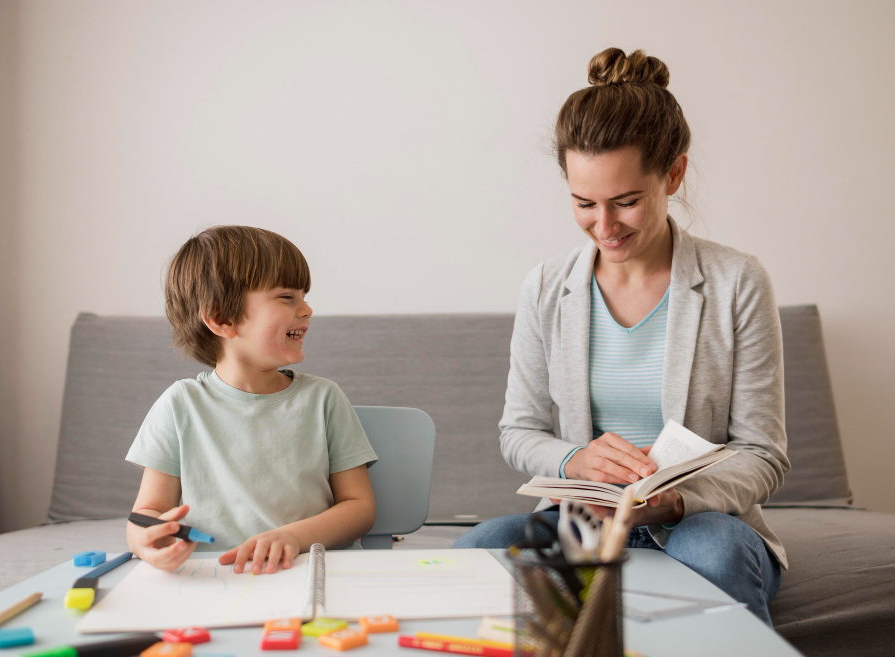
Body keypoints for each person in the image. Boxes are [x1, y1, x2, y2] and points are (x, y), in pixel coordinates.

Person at [453, 48, 788, 626]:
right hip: (582, 524)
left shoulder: (738, 282)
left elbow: (763, 453)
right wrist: (577, 459)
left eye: (627, 202)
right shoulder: (546, 287)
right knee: (477, 550)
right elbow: (519, 431)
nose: (604, 227)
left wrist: (676, 500)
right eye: (585, 204)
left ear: (673, 174)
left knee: (713, 550)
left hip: (697, 524)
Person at [125, 226, 378, 575]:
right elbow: (146, 513)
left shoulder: (324, 399)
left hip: (310, 569)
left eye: (303, 296)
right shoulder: (179, 405)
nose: (307, 309)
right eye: (287, 297)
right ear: (222, 319)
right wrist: (149, 541)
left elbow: (359, 507)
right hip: (217, 576)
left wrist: (291, 537)